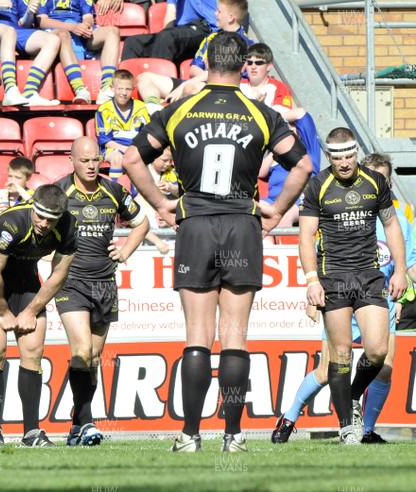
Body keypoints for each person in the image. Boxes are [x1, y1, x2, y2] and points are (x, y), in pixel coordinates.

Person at [122, 32, 313, 453]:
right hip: (242, 225)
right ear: (244, 64)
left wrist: (160, 204)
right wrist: (278, 209)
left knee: (197, 336)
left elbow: (131, 158)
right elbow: (303, 165)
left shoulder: (179, 109)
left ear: (206, 61)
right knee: (234, 336)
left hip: (196, 225)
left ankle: (190, 435)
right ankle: (233, 435)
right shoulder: (261, 113)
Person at [273, 152, 416, 445]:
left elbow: (409, 263)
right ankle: (289, 416)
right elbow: (312, 250)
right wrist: (312, 291)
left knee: (383, 362)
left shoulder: (399, 218)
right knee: (329, 367)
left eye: (385, 181)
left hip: (378, 295)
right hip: (338, 290)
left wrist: (402, 296)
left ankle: (364, 429)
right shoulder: (337, 209)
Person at [54, 136, 148, 446]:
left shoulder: (114, 190)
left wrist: (125, 251)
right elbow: (36, 222)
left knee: (92, 358)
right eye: (85, 160)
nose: (92, 165)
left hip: (105, 282)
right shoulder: (59, 191)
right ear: (72, 161)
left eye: (96, 159)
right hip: (71, 281)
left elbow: (142, 222)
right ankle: (89, 422)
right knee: (80, 350)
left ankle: (77, 423)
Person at [0, 184, 78, 447]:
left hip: (26, 280)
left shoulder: (68, 226)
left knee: (33, 351)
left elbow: (59, 274)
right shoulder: (11, 223)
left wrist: (31, 311)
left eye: (51, 219)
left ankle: (32, 432)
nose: (44, 223)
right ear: (32, 206)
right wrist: (3, 311)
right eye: (40, 216)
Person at [137, 0, 251, 115]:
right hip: (198, 83)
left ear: (231, 17)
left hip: (221, 91)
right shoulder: (211, 38)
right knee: (145, 78)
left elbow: (222, 74)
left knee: (189, 90)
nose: (215, 14)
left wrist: (185, 85)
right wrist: (193, 82)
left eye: (219, 11)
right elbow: (194, 69)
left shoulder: (245, 45)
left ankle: (168, 116)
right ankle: (156, 112)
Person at [0, 0, 61, 106]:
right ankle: (10, 91)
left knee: (53, 40)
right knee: (9, 31)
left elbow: (25, 24)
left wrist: (29, 12)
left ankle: (30, 93)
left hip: (15, 30)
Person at [37, 0, 120, 104]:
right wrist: (71, 27)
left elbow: (88, 17)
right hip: (54, 31)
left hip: (79, 29)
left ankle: (107, 88)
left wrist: (86, 26)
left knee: (113, 31)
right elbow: (43, 22)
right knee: (64, 34)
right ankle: (80, 89)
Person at [259, 108, 321, 228]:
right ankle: (267, 245)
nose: (288, 130)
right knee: (252, 210)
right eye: (284, 128)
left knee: (284, 214)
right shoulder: (275, 156)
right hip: (273, 201)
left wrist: (273, 119)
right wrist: (277, 148)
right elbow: (260, 172)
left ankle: (283, 245)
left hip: (300, 202)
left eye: (292, 126)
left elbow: (300, 113)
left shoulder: (309, 151)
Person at [120, 0, 216, 65]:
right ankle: (128, 86)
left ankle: (155, 87)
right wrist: (160, 38)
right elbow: (171, 12)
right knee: (132, 42)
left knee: (167, 37)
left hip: (207, 29)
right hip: (182, 31)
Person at [95, 69, 150, 181]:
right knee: (117, 158)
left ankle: (141, 194)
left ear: (133, 89)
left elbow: (147, 135)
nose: (124, 93)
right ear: (112, 87)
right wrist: (126, 149)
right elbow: (106, 142)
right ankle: (116, 192)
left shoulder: (141, 107)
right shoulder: (104, 110)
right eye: (120, 88)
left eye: (128, 89)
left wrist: (135, 150)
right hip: (112, 148)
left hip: (135, 147)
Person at [240, 43, 293, 115]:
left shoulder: (279, 88)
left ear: (269, 66)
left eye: (259, 63)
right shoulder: (238, 85)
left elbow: (281, 118)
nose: (253, 67)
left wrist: (262, 105)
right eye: (249, 63)